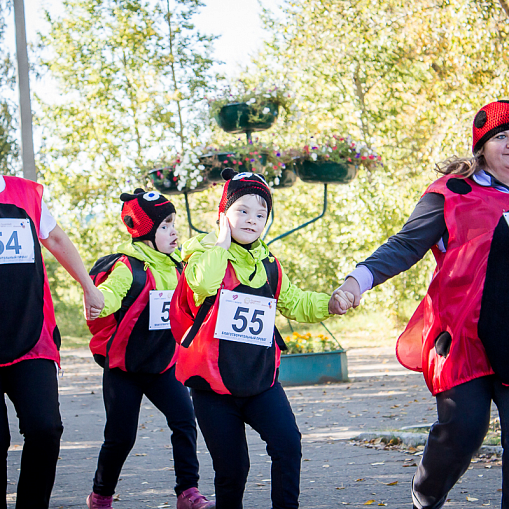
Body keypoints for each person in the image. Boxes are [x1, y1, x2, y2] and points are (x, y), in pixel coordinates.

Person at [330, 100, 509, 509]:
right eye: (501, 136)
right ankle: (427, 492)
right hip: (461, 339)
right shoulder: (452, 193)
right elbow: (405, 245)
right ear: (481, 146)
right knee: (463, 429)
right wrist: (357, 282)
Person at [170, 169, 352, 509]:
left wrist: (330, 302)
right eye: (242, 211)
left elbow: (295, 301)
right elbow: (204, 285)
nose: (252, 220)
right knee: (233, 471)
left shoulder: (269, 264)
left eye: (261, 214)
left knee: (288, 445)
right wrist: (221, 242)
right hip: (212, 388)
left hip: (260, 381)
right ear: (223, 214)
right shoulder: (202, 255)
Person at [86, 189, 214, 509]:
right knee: (121, 438)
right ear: (144, 232)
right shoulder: (129, 267)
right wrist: (99, 302)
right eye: (165, 225)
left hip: (162, 366)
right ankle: (101, 495)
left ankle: (187, 491)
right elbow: (111, 294)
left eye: (174, 223)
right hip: (124, 369)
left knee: (184, 420)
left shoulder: (176, 266)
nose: (174, 231)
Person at [0, 174, 104, 509]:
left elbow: (56, 240)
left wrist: (88, 285)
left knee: (45, 429)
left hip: (32, 335)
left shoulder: (24, 193)